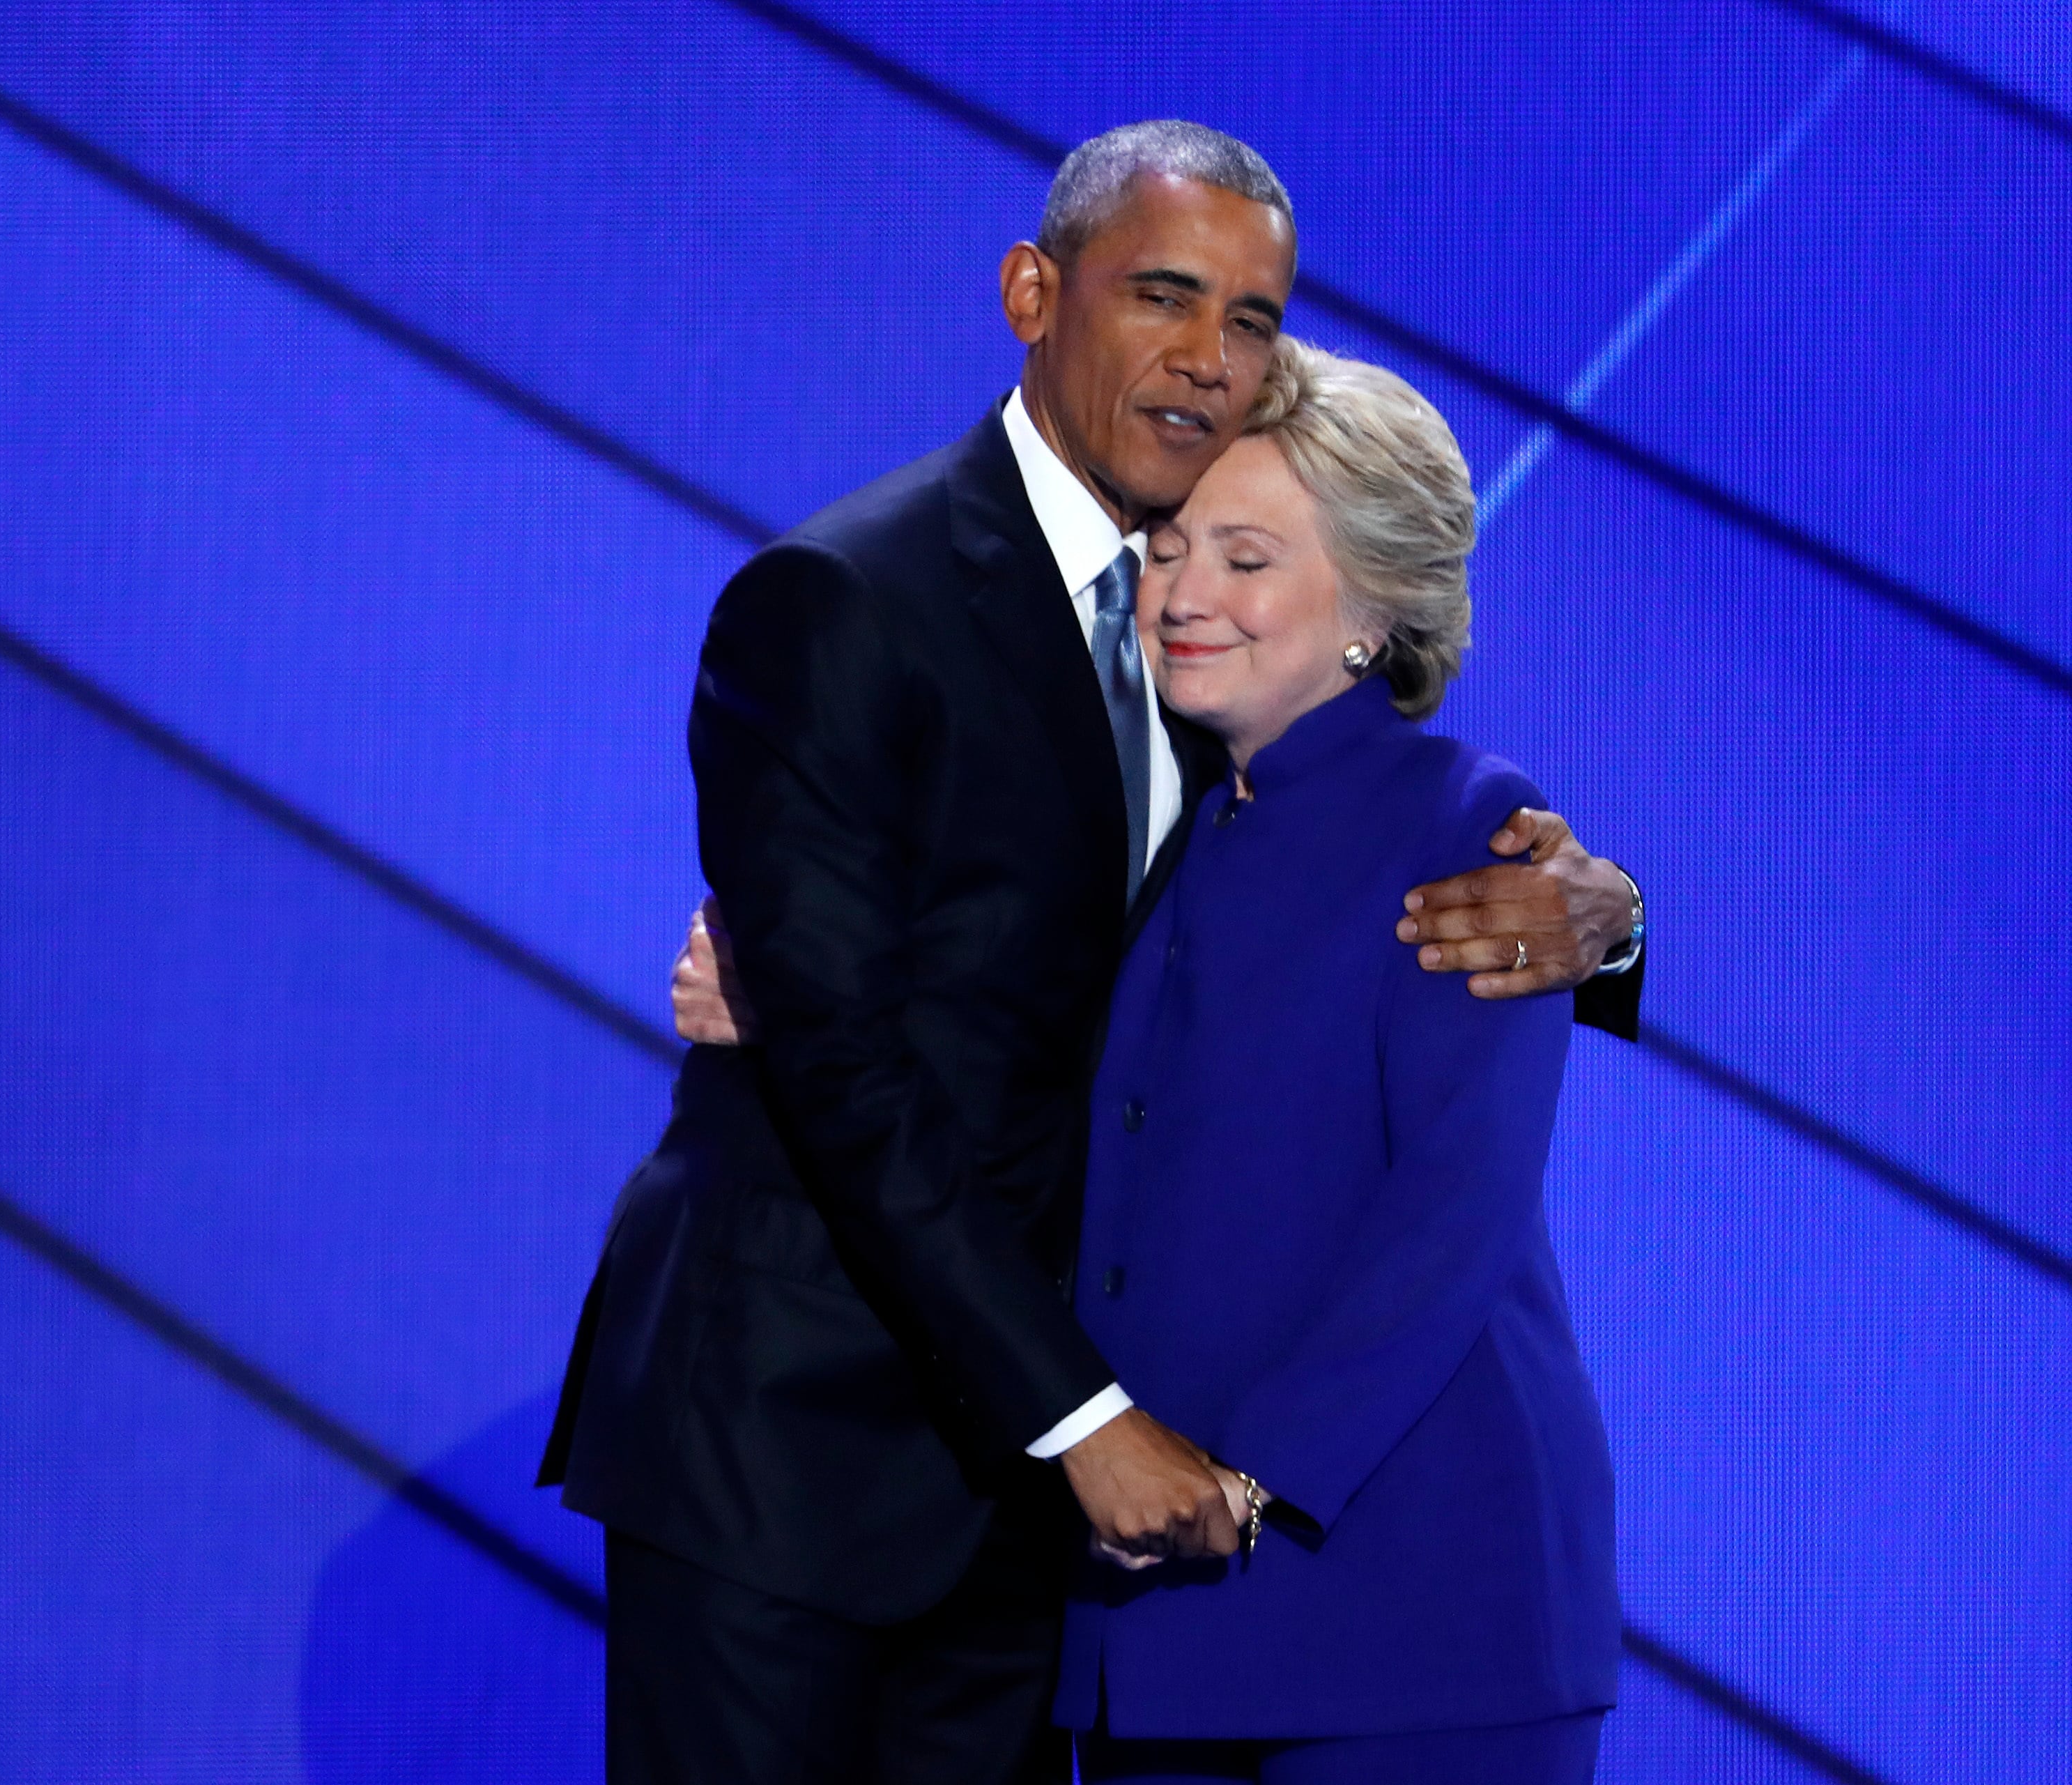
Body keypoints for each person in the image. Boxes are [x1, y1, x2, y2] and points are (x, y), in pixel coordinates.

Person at [539, 121, 1644, 1785]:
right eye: (1166, 298)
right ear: (1034, 293)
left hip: (1064, 1522)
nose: (1209, 358)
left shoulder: (1228, 672)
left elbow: (1381, 880)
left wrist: (1612, 924)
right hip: (804, 1452)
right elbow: (847, 1046)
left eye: (1255, 320)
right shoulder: (848, 596)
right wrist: (1086, 1419)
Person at [1062, 338, 1619, 1783]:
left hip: (1413, 1596)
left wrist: (1250, 1484)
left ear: (1375, 604)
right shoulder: (1147, 811)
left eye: (1246, 557)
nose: (1185, 596)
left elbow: (1456, 1213)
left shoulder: (1473, 826)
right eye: (1171, 545)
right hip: (1148, 1606)